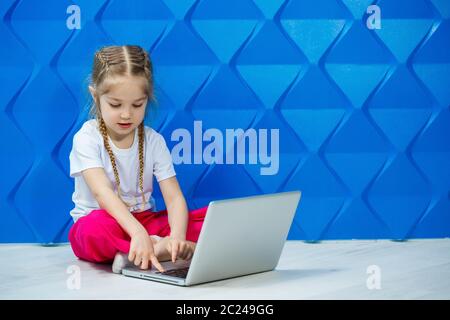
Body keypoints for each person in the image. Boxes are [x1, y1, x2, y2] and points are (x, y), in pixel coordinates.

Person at [68, 45, 208, 273]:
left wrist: (177, 238)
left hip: (144, 220)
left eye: (137, 105)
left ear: (147, 99)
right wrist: (138, 233)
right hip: (107, 221)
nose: (126, 114)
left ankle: (151, 251)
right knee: (93, 229)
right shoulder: (87, 138)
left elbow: (173, 199)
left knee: (208, 221)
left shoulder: (153, 140)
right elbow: (102, 193)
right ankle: (145, 248)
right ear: (96, 96)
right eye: (115, 104)